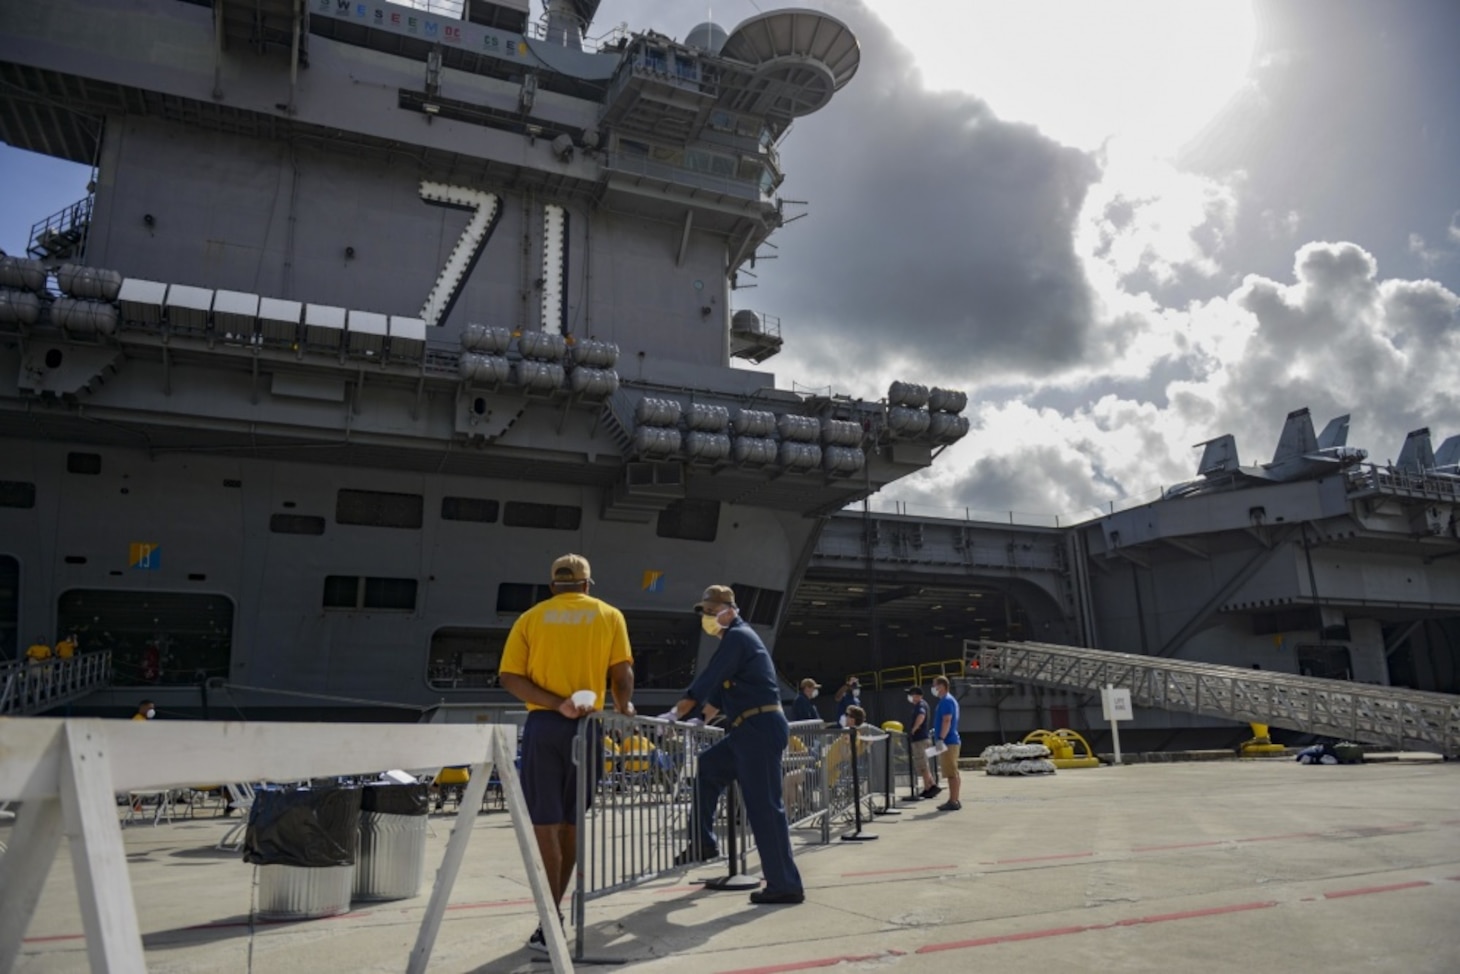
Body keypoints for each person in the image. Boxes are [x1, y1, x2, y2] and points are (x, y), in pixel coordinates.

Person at [498, 553, 634, 952]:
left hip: (545, 726)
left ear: (553, 586)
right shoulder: (610, 615)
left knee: (544, 822)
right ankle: (554, 911)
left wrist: (556, 704)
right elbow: (622, 672)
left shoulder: (531, 618)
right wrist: (623, 707)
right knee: (574, 821)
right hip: (589, 728)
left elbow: (509, 677)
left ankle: (548, 916)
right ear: (588, 585)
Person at [666, 585, 804, 906]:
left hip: (759, 729)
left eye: (713, 612)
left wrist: (678, 710)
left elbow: (711, 678)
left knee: (765, 807)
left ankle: (785, 884)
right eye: (706, 613)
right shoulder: (735, 641)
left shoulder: (738, 638)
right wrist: (700, 719)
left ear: (730, 610)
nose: (709, 618)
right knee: (709, 766)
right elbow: (718, 694)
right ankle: (703, 842)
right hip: (746, 731)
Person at [930, 676, 962, 811]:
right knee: (953, 772)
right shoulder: (949, 700)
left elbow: (947, 720)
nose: (933, 688)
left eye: (934, 685)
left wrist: (941, 738)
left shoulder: (946, 701)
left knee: (951, 773)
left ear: (941, 686)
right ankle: (954, 799)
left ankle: (953, 801)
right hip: (950, 740)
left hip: (948, 741)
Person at [906, 686, 940, 799]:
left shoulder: (920, 706)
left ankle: (929, 787)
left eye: (912, 695)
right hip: (924, 738)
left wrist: (914, 729)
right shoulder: (923, 704)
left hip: (919, 739)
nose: (910, 697)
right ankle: (930, 786)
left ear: (917, 695)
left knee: (922, 765)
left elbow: (921, 716)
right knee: (924, 764)